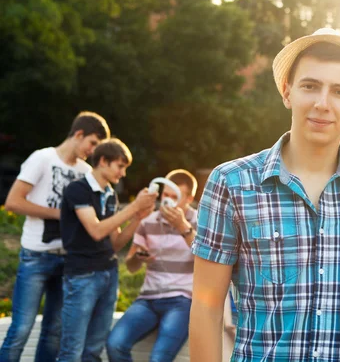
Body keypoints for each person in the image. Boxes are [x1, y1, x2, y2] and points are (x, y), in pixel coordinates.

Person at [189, 28, 340, 361]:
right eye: (310, 86)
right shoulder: (231, 183)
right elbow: (206, 304)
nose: (322, 103)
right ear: (287, 92)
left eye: (339, 91)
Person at [0, 112, 110, 362]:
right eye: (92, 143)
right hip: (35, 257)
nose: (92, 151)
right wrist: (61, 214)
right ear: (78, 134)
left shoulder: (85, 171)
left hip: (69, 261)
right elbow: (13, 202)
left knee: (53, 332)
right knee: (21, 329)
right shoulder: (42, 158)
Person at [56, 138, 157, 362]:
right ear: (103, 161)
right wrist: (134, 207)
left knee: (94, 350)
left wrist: (138, 218)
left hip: (108, 274)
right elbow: (96, 231)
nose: (123, 174)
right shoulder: (78, 190)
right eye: (120, 166)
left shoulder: (111, 194)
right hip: (82, 275)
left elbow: (116, 243)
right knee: (71, 351)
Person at [106, 169, 199, 362]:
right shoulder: (148, 222)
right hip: (149, 299)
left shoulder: (200, 221)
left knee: (158, 358)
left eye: (176, 197)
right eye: (166, 195)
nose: (168, 201)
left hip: (182, 300)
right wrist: (138, 257)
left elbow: (207, 259)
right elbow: (131, 267)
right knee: (114, 344)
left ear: (189, 198)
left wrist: (183, 227)